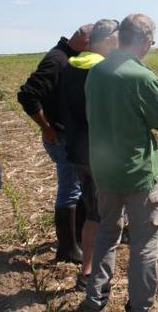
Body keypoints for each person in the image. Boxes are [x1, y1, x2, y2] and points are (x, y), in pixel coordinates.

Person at [83, 14, 158, 312]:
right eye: (151, 41)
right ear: (145, 41)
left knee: (106, 235)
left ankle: (94, 300)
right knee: (144, 245)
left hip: (104, 171)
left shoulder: (96, 72)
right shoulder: (142, 77)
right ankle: (142, 305)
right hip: (138, 174)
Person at [18, 24, 92, 262]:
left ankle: (77, 240)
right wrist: (46, 127)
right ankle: (68, 248)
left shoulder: (67, 56)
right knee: (69, 190)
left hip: (67, 134)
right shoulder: (57, 60)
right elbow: (28, 94)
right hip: (60, 136)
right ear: (85, 41)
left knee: (77, 189)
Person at [59, 19, 120, 289]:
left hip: (78, 151)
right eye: (118, 39)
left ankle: (88, 267)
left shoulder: (72, 65)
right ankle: (91, 275)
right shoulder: (102, 71)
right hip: (100, 153)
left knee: (92, 210)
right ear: (108, 40)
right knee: (101, 215)